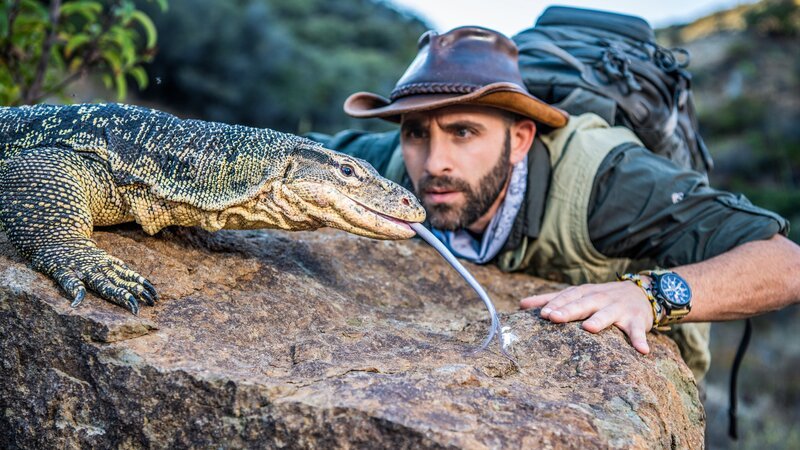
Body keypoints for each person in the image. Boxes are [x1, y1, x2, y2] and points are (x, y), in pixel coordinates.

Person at [308, 26, 800, 379]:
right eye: (416, 132)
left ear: (521, 139)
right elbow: (293, 154)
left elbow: (785, 264)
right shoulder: (390, 164)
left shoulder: (609, 181)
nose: (435, 162)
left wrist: (647, 296)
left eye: (464, 132)